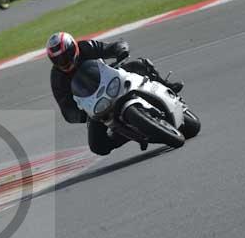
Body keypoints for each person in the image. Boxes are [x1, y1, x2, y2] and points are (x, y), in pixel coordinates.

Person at [47, 32, 184, 156]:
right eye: (58, 60)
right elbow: (66, 109)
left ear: (74, 48)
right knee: (97, 147)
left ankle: (167, 85)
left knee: (139, 64)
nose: (63, 62)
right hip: (95, 103)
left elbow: (110, 47)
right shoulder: (57, 79)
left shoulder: (86, 47)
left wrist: (120, 51)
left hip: (110, 79)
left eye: (66, 56)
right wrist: (81, 115)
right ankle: (127, 133)